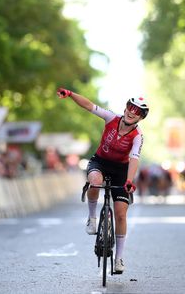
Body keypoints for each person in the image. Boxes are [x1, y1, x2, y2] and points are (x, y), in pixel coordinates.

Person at [57, 87, 149, 273]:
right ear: (125, 108)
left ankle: (119, 258)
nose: (133, 112)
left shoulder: (138, 136)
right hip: (100, 162)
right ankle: (92, 218)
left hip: (121, 170)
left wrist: (129, 180)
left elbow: (134, 158)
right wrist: (71, 94)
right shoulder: (111, 118)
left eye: (138, 111)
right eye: (131, 107)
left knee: (121, 213)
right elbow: (89, 106)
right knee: (95, 181)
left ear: (141, 117)